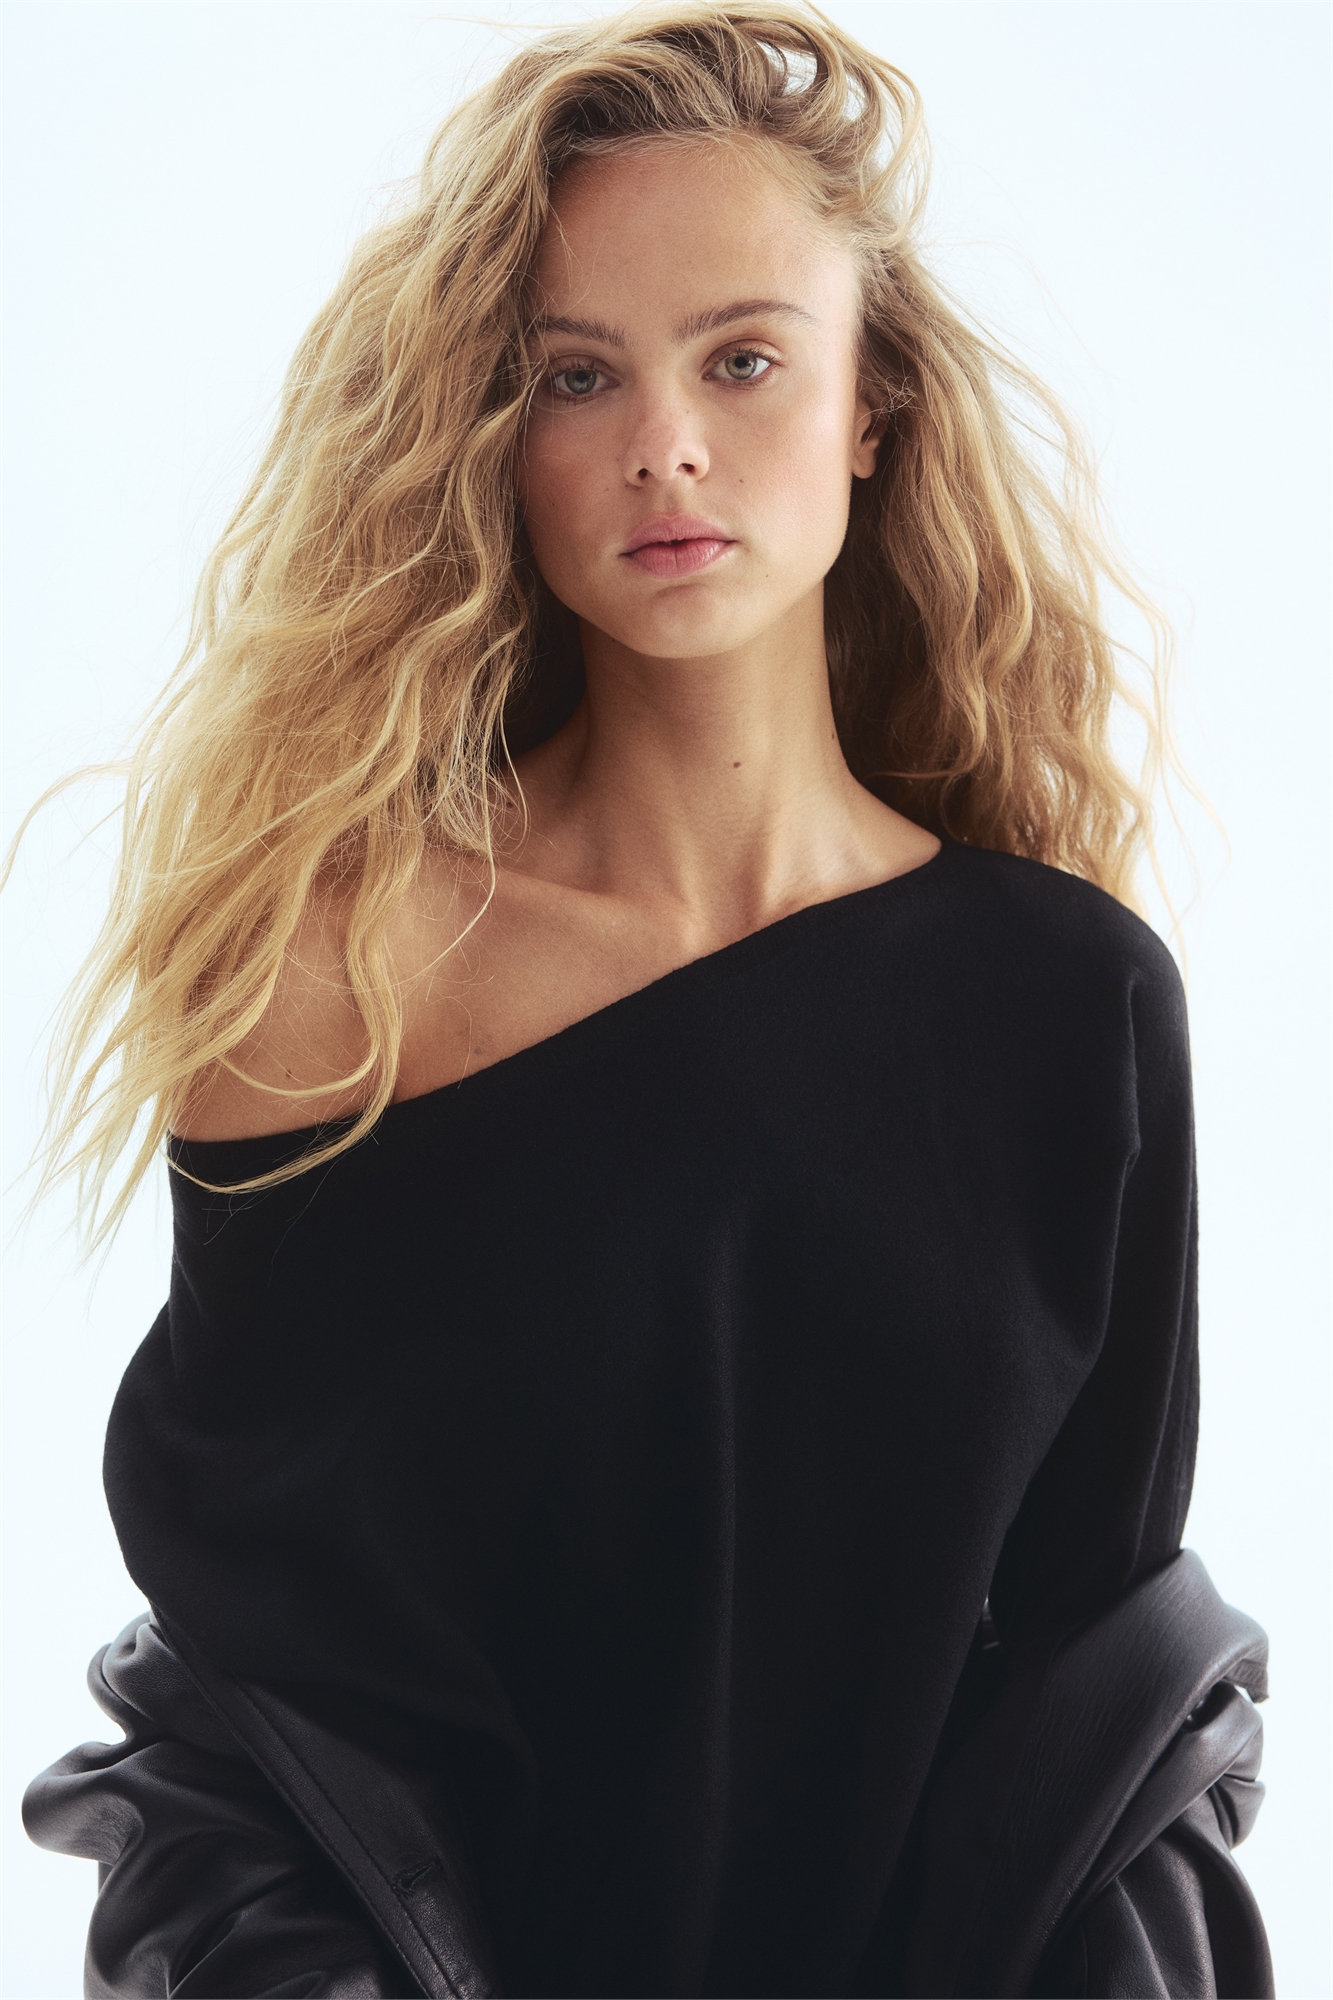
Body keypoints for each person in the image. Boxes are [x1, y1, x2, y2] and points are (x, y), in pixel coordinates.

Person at [19, 4, 1272, 1995]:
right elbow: (249, 1727)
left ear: (870, 407)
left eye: (742, 358)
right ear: (493, 440)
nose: (663, 443)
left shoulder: (1071, 1007)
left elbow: (1096, 1719)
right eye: (575, 375)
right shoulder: (334, 979)